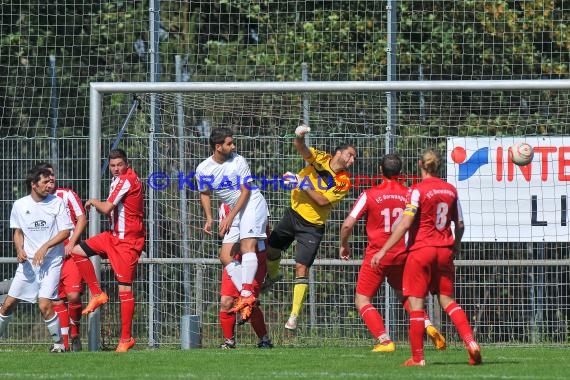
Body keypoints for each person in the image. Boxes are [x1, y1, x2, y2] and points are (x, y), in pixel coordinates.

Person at [371, 149, 482, 366]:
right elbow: (459, 224)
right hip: (444, 251)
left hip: (421, 251)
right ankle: (471, 343)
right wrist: (456, 245)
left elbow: (405, 223)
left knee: (416, 303)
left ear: (420, 164)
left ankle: (418, 358)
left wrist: (383, 250)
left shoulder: (416, 190)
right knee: (447, 300)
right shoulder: (451, 190)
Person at [339, 153, 446, 352]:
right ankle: (428, 325)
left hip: (377, 255)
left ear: (380, 170)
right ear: (401, 172)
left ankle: (384, 340)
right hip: (403, 254)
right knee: (406, 296)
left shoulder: (369, 194)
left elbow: (347, 225)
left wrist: (344, 244)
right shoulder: (410, 193)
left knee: (362, 299)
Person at [263, 124, 357, 330]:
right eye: (350, 155)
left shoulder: (344, 181)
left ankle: (293, 317)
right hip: (293, 214)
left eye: (354, 158)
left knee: (301, 267)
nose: (352, 160)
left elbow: (322, 201)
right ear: (339, 153)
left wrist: (301, 184)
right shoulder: (321, 158)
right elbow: (302, 149)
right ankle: (272, 276)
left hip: (312, 226)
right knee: (271, 250)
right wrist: (299, 136)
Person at [70, 148, 145, 352]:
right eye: (112, 166)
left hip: (127, 242)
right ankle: (97, 294)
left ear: (127, 164)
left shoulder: (126, 180)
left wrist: (93, 201)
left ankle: (126, 339)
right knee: (76, 250)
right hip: (112, 236)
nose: (116, 169)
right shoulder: (121, 179)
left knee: (125, 289)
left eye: (119, 165)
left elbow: (106, 208)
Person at [195, 127, 269, 322]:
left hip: (251, 203)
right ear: (218, 147)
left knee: (247, 247)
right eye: (229, 143)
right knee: (225, 256)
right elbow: (204, 193)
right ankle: (248, 296)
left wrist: (229, 217)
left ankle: (245, 295)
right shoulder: (203, 168)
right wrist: (210, 218)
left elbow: (245, 192)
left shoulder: (239, 161)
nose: (233, 146)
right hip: (234, 209)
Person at [0, 165, 73, 352]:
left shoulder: (57, 203)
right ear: (34, 185)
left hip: (51, 262)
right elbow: (18, 232)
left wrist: (45, 246)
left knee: (44, 304)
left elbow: (65, 231)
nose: (50, 185)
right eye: (45, 182)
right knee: (7, 305)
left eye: (51, 181)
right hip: (28, 265)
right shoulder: (20, 205)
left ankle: (59, 345)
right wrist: (19, 249)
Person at [38, 162, 87, 352]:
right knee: (57, 301)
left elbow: (82, 218)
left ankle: (75, 332)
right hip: (50, 257)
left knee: (73, 296)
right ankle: (64, 343)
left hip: (69, 253)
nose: (50, 181)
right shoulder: (35, 202)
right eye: (46, 177)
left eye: (52, 176)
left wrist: (73, 242)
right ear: (38, 181)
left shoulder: (66, 194)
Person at [217, 204, 273, 349]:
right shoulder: (224, 203)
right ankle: (229, 341)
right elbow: (224, 234)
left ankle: (264, 340)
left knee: (248, 302)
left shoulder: (255, 201)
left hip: (254, 257)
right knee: (226, 301)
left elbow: (262, 232)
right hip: (233, 260)